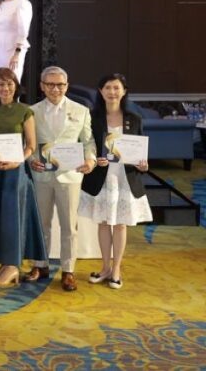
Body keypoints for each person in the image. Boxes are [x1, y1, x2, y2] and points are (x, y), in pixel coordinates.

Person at [78, 73, 151, 290]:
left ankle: (116, 269)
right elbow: (87, 145)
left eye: (116, 88)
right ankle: (105, 267)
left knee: (120, 224)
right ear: (100, 91)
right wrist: (94, 159)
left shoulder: (134, 119)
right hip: (102, 177)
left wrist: (143, 165)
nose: (112, 92)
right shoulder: (92, 117)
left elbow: (140, 152)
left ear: (124, 91)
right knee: (103, 222)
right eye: (108, 87)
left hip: (125, 178)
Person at [28, 66, 94, 292]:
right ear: (42, 86)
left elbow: (88, 141)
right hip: (42, 175)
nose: (55, 89)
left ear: (67, 86)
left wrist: (90, 161)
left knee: (69, 226)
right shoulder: (31, 111)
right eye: (50, 84)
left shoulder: (81, 110)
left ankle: (68, 270)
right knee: (41, 223)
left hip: (70, 175)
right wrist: (32, 160)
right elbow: (29, 143)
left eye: (60, 85)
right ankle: (40, 265)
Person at [0, 67, 47, 286]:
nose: (5, 88)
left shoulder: (24, 111)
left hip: (16, 172)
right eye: (0, 84)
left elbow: (31, 146)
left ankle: (12, 267)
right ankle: (4, 263)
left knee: (12, 217)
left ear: (16, 86)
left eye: (9, 83)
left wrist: (17, 161)